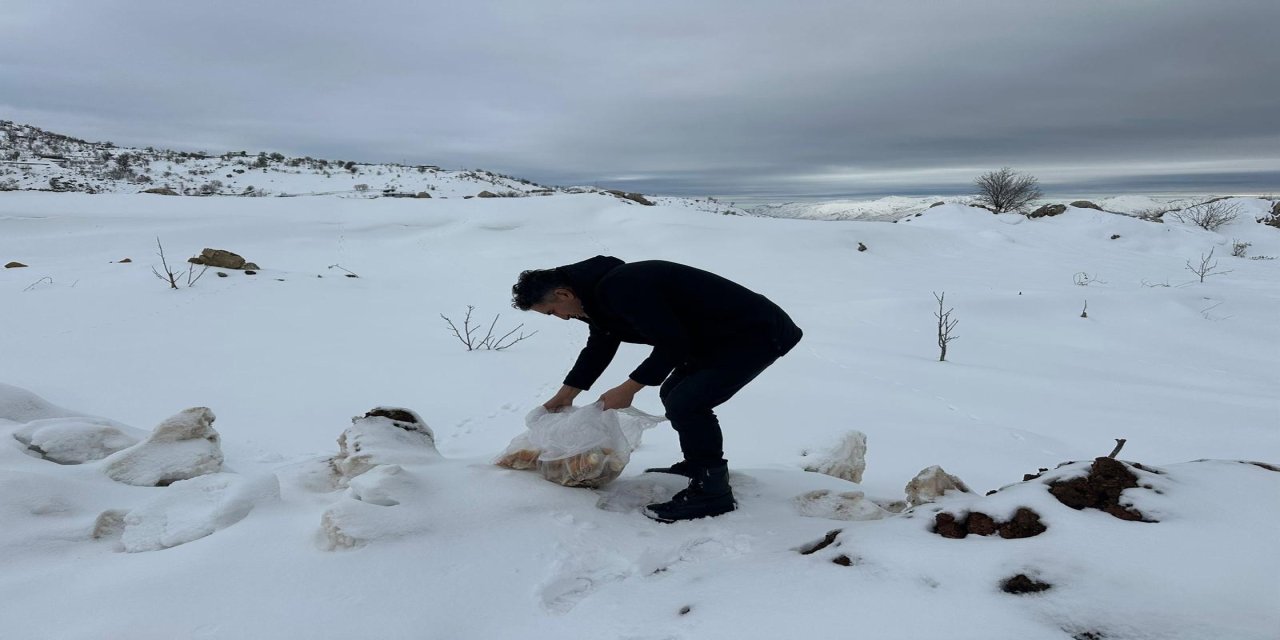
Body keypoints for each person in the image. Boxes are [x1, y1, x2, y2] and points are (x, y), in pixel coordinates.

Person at [511, 255, 802, 522]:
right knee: (673, 392)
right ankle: (698, 465)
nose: (561, 318)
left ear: (563, 294)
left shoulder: (622, 287)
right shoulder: (595, 299)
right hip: (715, 337)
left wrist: (629, 387)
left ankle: (713, 493)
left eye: (552, 312)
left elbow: (672, 342)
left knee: (688, 402)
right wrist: (566, 395)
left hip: (755, 333)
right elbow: (600, 345)